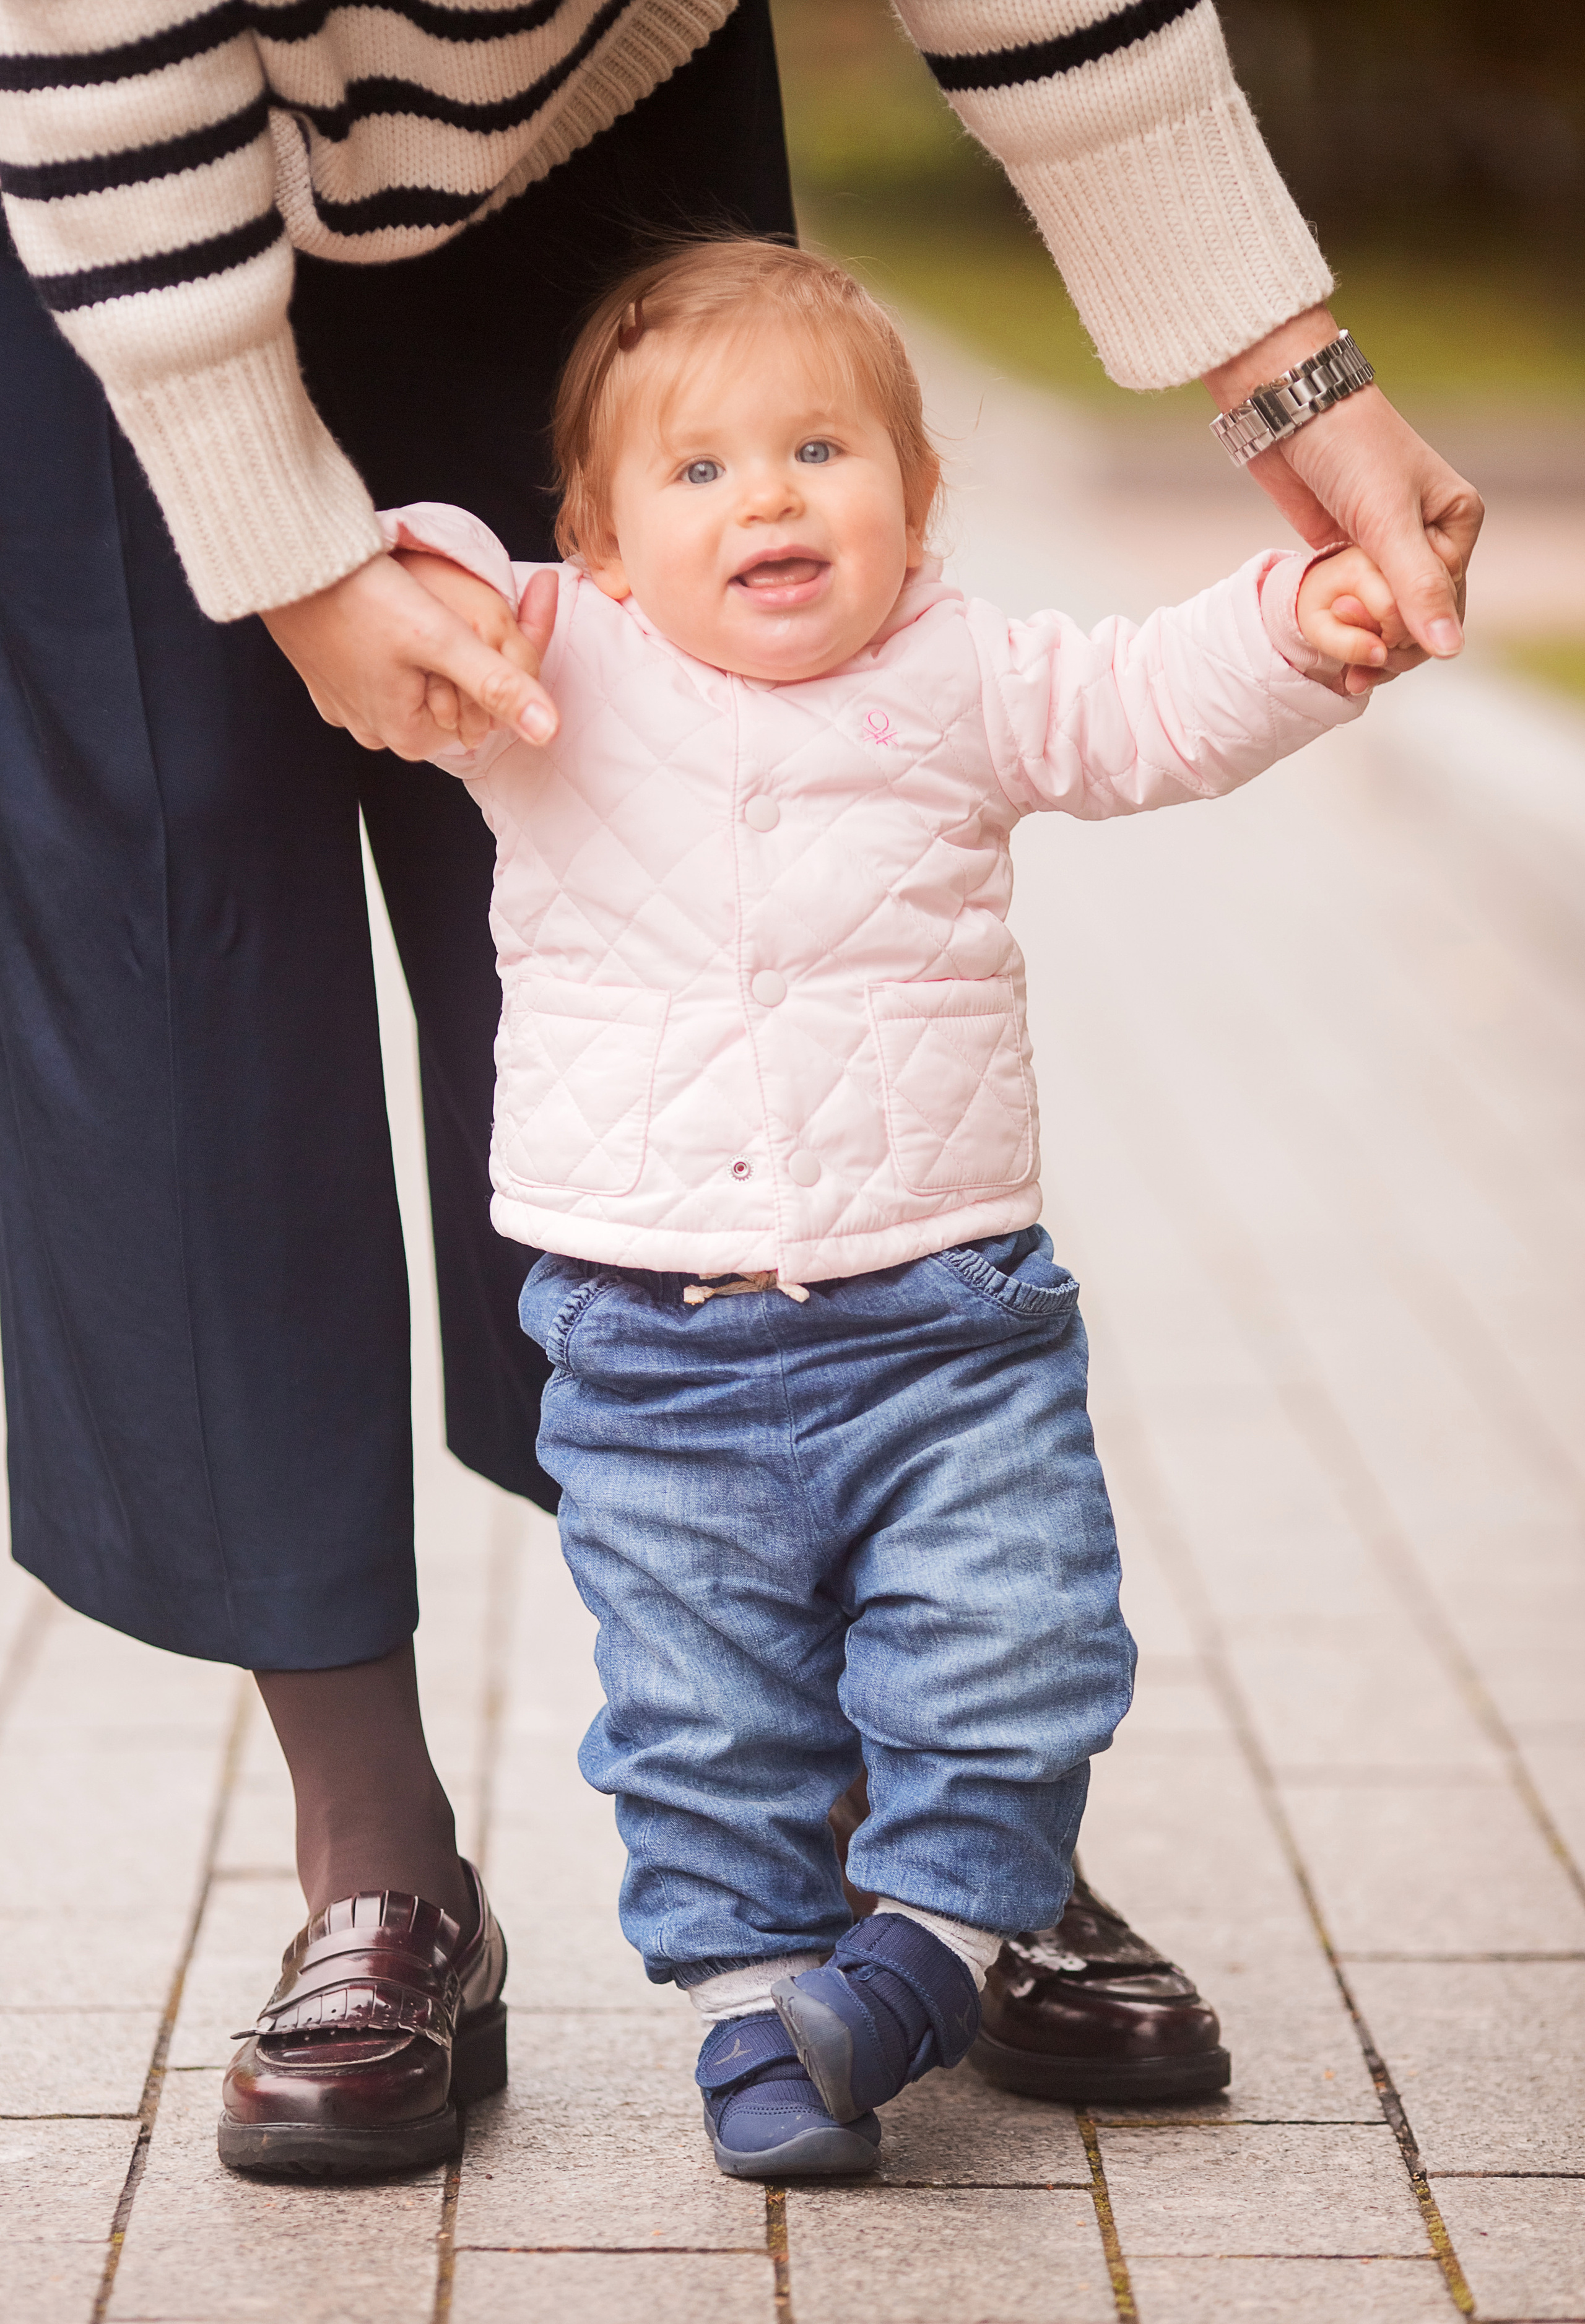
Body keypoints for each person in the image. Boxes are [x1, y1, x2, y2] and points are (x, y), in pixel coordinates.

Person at [0, 0, 1479, 2174]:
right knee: (181, 900)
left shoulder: (942, 635)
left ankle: (928, 1857)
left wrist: (1296, 378)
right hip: (119, 196)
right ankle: (374, 1859)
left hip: (591, 91)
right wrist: (298, 556)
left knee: (667, 760)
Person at [345, 233, 1413, 2183]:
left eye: (823, 450)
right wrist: (413, 569)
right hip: (652, 1345)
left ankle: (923, 1956)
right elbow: (419, 585)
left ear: (917, 505)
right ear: (595, 537)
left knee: (1021, 1649)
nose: (768, 495)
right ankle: (757, 2026)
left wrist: (1296, 627)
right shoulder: (548, 668)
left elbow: (1146, 701)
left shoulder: (968, 671)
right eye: (698, 471)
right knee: (701, 1722)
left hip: (950, 1324)